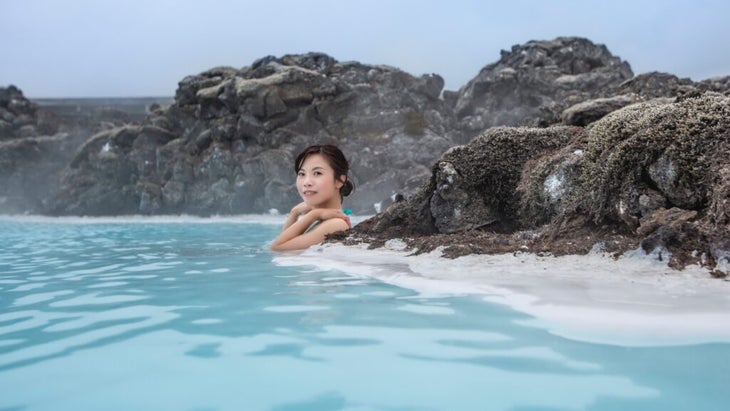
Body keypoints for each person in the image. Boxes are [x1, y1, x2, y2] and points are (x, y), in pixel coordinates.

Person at [270, 144, 355, 251]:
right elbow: (285, 242)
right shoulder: (322, 220)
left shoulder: (336, 224)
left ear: (339, 181)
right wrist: (294, 213)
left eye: (317, 173)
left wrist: (314, 214)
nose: (307, 182)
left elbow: (277, 248)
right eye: (302, 174)